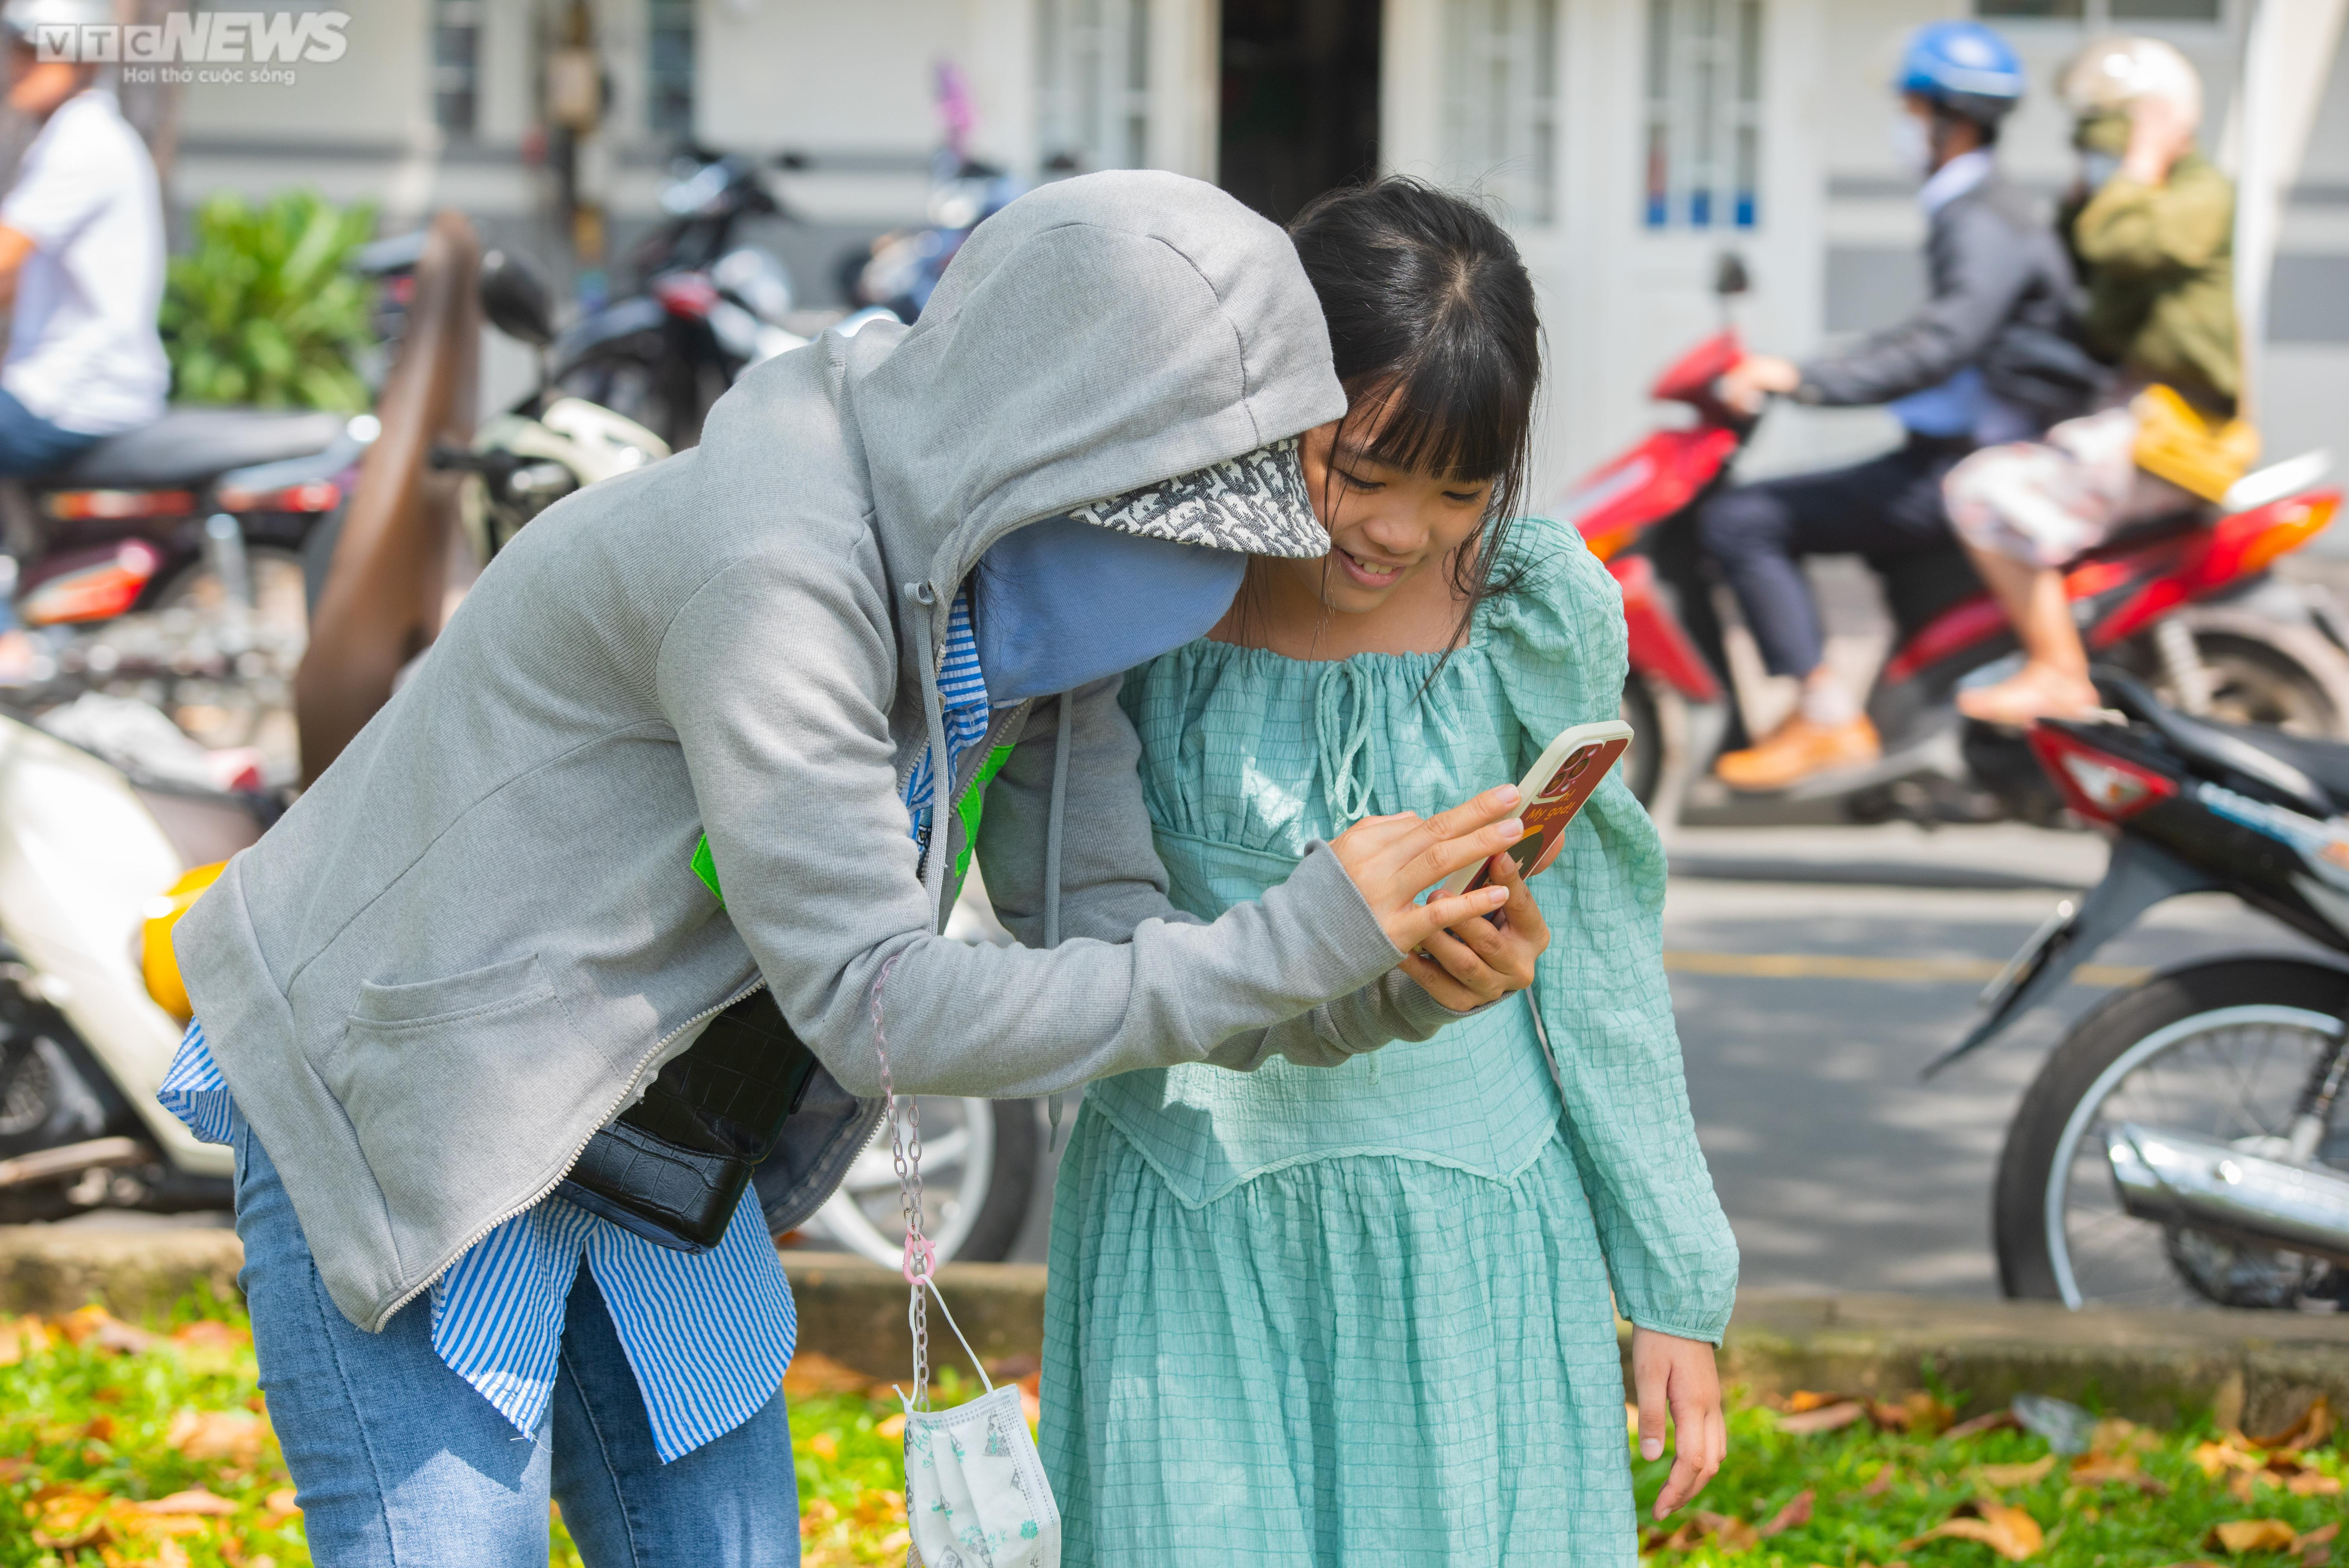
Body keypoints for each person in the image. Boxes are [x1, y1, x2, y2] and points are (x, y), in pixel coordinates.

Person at [160, 172, 1549, 1566]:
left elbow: (1112, 933)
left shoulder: (1019, 591)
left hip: (651, 1139)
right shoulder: (776, 575)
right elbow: (879, 1004)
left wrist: (1383, 977)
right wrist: (1310, 933)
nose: (1246, 542)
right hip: (421, 1093)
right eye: (1207, 488)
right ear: (1063, 435)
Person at [1039, 179, 1739, 1564]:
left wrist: (1674, 1280)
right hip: (1190, 1212)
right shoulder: (1146, 584)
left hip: (1467, 1227)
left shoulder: (1529, 607)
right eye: (1360, 468)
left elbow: (1596, 958)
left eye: (1456, 488)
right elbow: (1077, 917)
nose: (1401, 531)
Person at [1702, 20, 2078, 791]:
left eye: (1910, 110)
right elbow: (1930, 338)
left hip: (1968, 463)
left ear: (1952, 118)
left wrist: (1800, 382)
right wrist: (1813, 369)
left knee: (1740, 518)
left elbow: (1940, 344)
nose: (1901, 128)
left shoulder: (1979, 217)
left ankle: (1825, 713)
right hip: (1963, 449)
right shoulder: (1979, 210)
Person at [1943, 37, 2236, 725]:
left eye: (2111, 136)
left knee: (1980, 491)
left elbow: (2123, 245)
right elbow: (2080, 271)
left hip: (2174, 429)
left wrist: (2138, 162)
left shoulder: (2196, 191)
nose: (2095, 157)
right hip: (2132, 416)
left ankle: (2058, 672)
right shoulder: (2128, 198)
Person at [0, 0, 168, 474]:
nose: (20, 65)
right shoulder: (67, 135)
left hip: (80, 395)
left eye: (39, 51)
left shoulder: (85, 141)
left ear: (85, 62)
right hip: (56, 385)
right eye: (18, 48)